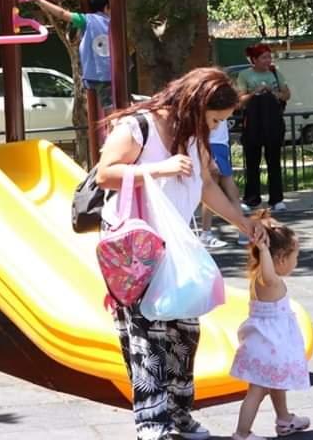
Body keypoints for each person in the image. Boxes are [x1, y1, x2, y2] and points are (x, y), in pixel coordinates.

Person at [95, 67, 267, 440]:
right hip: (137, 246)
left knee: (186, 331)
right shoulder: (138, 126)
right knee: (147, 332)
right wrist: (159, 169)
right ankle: (152, 422)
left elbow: (205, 186)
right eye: (215, 119)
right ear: (195, 105)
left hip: (176, 246)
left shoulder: (194, 135)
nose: (217, 126)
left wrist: (242, 223)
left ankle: (179, 414)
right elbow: (104, 174)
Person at [230, 215, 310, 440]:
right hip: (270, 346)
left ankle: (284, 418)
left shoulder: (258, 275)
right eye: (295, 257)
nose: (296, 262)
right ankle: (242, 433)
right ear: (281, 258)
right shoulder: (269, 280)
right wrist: (264, 249)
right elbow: (268, 272)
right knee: (257, 391)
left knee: (275, 382)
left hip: (265, 343)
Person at [34, 0, 114, 110]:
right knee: (111, 109)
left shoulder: (86, 20)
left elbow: (62, 13)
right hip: (107, 74)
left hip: (90, 75)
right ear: (107, 7)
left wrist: (39, 0)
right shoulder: (114, 23)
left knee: (100, 108)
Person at [237, 44, 290, 213]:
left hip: (273, 123)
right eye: (264, 57)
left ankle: (277, 199)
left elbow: (286, 94)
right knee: (252, 163)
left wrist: (272, 92)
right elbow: (240, 101)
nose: (268, 60)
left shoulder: (275, 73)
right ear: (254, 60)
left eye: (269, 57)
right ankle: (251, 199)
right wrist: (255, 92)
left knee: (274, 162)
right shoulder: (244, 75)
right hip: (253, 123)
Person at [198, 120, 240, 249]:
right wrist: (209, 157)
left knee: (232, 192)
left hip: (221, 145)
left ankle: (243, 229)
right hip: (212, 144)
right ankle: (205, 234)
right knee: (213, 189)